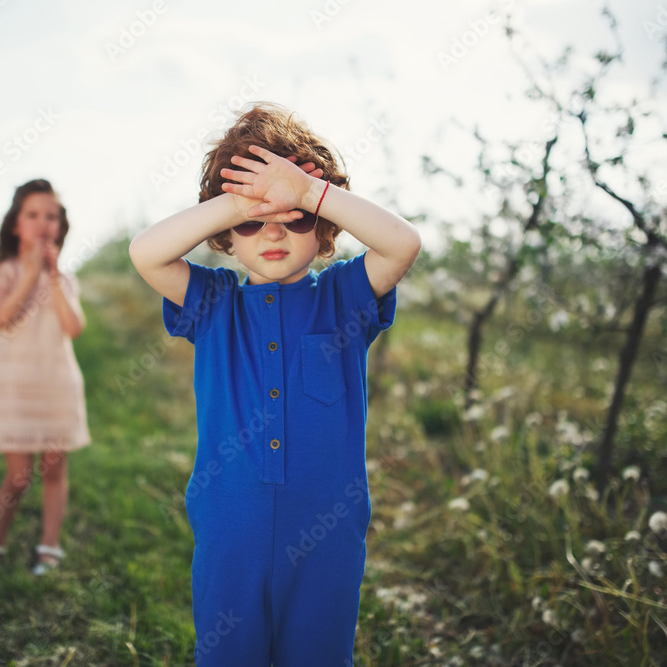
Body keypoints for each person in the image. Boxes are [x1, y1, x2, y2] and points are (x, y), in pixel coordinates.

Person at [129, 103, 421, 665]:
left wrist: (307, 190)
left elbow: (402, 244)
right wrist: (244, 195)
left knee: (318, 653)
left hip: (328, 528)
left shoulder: (345, 298)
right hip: (228, 525)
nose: (273, 231)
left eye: (295, 217)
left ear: (326, 229)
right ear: (225, 236)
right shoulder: (212, 303)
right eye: (250, 220)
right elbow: (146, 251)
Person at [0, 179, 89, 575]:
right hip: (15, 389)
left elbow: (74, 327)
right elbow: (3, 318)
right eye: (33, 215)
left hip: (56, 385)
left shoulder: (65, 279)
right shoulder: (5, 271)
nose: (43, 223)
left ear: (61, 227)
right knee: (19, 476)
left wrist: (51, 276)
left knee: (54, 469)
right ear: (16, 225)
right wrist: (30, 273)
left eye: (51, 216)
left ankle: (49, 547)